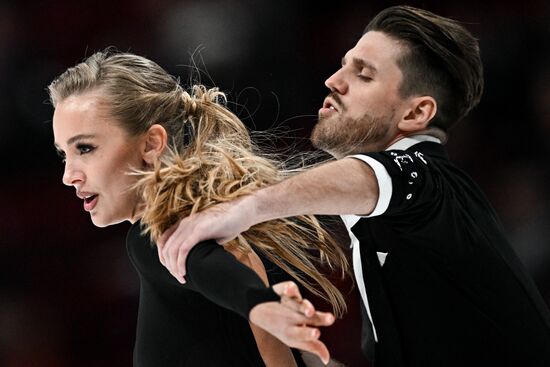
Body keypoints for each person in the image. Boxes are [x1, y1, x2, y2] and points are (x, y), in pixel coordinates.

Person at [156, 5, 550, 367]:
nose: (333, 80)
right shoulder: (404, 231)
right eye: (344, 65)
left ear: (416, 113)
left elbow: (373, 176)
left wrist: (240, 209)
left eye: (363, 74)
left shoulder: (432, 180)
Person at [48, 50, 350, 366]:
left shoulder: (158, 237)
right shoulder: (208, 226)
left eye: (86, 148)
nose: (69, 176)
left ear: (151, 144)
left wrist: (261, 305)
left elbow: (206, 267)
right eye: (64, 154)